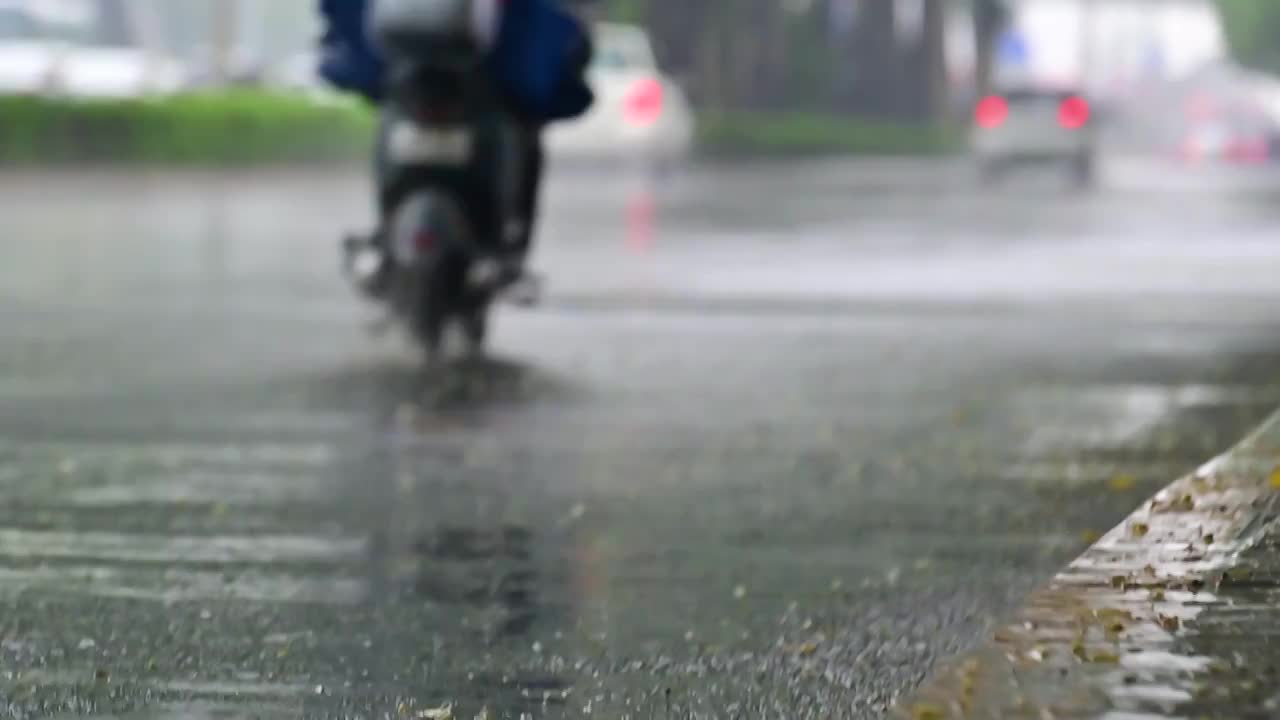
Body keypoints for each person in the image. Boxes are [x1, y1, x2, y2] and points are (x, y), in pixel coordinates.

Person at [317, 0, 594, 280]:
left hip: (418, 78)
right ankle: (511, 249)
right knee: (527, 129)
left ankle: (386, 240)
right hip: (483, 81)